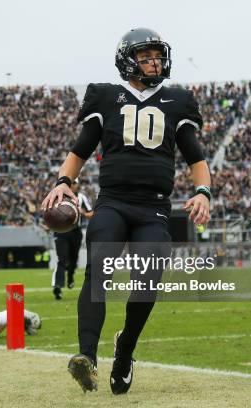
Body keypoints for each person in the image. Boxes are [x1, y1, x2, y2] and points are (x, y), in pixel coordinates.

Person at [41, 28, 211, 394]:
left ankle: (125, 350)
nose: (155, 61)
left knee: (146, 285)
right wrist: (62, 181)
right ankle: (86, 356)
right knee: (98, 274)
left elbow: (196, 157)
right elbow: (81, 149)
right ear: (127, 60)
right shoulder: (105, 96)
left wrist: (203, 192)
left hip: (154, 209)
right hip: (113, 202)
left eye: (157, 55)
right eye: (146, 56)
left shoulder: (177, 100)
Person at [51, 179, 93, 300]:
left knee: (73, 259)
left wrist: (83, 213)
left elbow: (92, 214)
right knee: (62, 259)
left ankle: (70, 275)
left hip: (75, 232)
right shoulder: (57, 195)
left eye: (75, 183)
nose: (73, 185)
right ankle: (57, 287)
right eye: (72, 183)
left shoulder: (81, 197)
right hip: (61, 232)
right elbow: (48, 211)